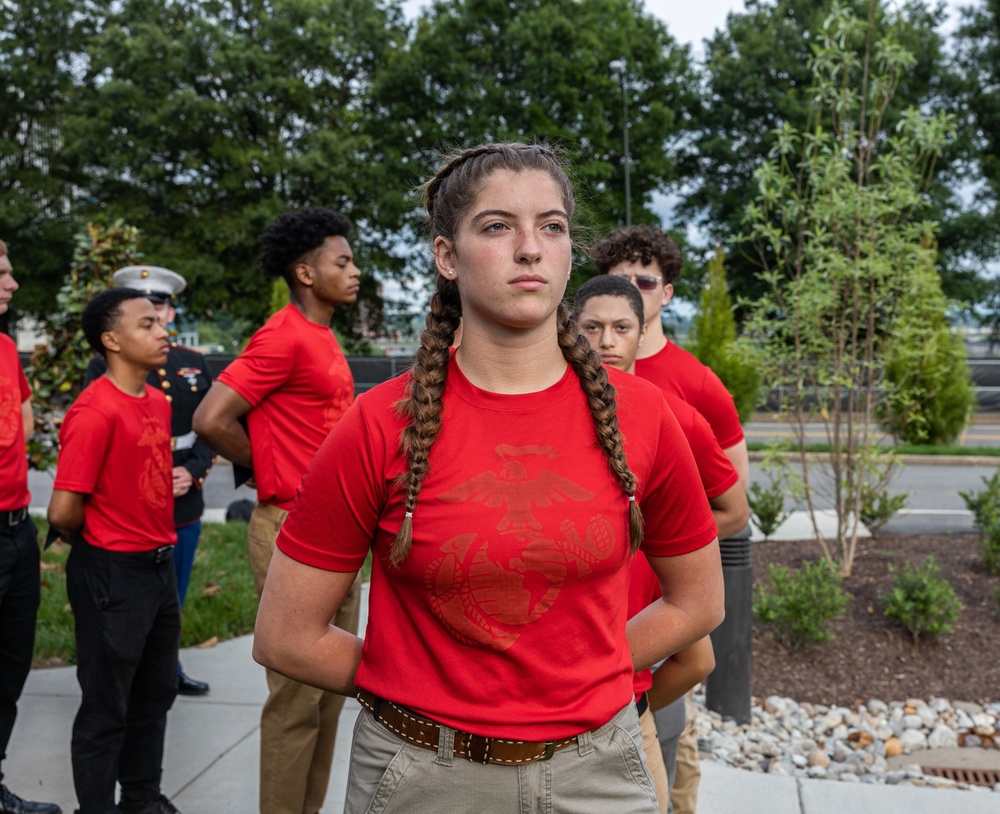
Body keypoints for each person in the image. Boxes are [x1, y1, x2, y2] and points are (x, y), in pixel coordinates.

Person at [252, 143, 724, 813]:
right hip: (422, 776)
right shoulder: (379, 424)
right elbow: (286, 635)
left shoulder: (645, 417)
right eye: (498, 226)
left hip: (600, 772)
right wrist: (413, 686)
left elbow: (699, 602)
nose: (530, 248)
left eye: (552, 226)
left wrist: (576, 671)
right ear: (447, 255)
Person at [192, 207, 361, 814]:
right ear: (305, 271)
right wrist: (273, 472)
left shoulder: (321, 334)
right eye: (342, 261)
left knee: (329, 695)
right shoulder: (282, 335)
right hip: (290, 527)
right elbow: (210, 418)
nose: (355, 271)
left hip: (338, 533)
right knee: (295, 699)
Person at [574, 274, 748, 812]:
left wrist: (662, 548)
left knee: (666, 728)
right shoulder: (555, 409)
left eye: (621, 327)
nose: (606, 340)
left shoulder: (671, 415)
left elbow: (733, 507)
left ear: (641, 330)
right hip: (576, 617)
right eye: (592, 328)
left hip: (645, 622)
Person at [47, 288, 182, 814]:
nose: (162, 330)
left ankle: (142, 798)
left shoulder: (156, 400)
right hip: (112, 571)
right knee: (107, 707)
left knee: (156, 693)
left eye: (160, 322)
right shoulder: (94, 410)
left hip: (157, 567)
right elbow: (62, 511)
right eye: (146, 324)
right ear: (111, 340)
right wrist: (107, 536)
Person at [84, 266, 214, 696]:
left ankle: (166, 664)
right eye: (145, 309)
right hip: (132, 498)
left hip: (182, 496)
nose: (155, 316)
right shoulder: (102, 365)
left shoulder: (192, 364)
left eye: (160, 306)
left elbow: (207, 430)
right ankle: (126, 667)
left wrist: (193, 471)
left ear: (171, 312)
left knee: (173, 592)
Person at [592, 225, 749, 490]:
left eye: (645, 282)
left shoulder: (700, 383)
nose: (632, 291)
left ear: (667, 293)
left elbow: (737, 492)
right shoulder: (577, 369)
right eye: (620, 282)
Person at [0, 239, 61, 814]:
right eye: (1, 273)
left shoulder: (5, 349)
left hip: (17, 529)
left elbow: (22, 423)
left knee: (9, 668)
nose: (12, 284)